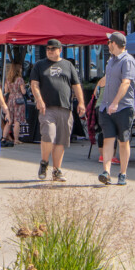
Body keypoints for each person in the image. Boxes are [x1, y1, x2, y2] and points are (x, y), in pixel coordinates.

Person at [31, 39, 86, 183]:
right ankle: (44, 163)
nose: (50, 51)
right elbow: (34, 84)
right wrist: (39, 100)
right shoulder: (39, 65)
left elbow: (76, 85)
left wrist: (81, 102)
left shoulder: (68, 65)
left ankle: (57, 170)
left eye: (53, 49)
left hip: (65, 108)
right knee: (48, 135)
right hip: (47, 108)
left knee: (61, 140)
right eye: (48, 48)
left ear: (60, 50)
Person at [97, 32, 135, 186]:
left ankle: (123, 173)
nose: (107, 45)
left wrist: (115, 103)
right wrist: (98, 86)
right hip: (106, 106)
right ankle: (106, 172)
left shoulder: (128, 61)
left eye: (109, 42)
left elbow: (126, 83)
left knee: (123, 141)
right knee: (108, 139)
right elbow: (108, 78)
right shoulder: (111, 60)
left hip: (123, 107)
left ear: (114, 43)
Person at [3, 62, 27, 146]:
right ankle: (16, 139)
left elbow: (6, 91)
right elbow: (23, 92)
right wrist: (25, 89)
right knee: (17, 120)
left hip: (10, 99)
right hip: (18, 99)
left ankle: (4, 138)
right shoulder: (20, 79)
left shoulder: (8, 79)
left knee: (9, 120)